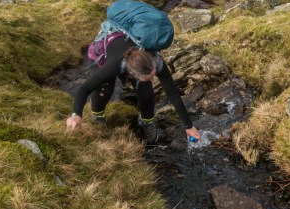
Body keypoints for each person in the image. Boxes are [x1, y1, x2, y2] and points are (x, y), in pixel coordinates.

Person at [66, 35, 200, 144]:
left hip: (132, 55)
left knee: (146, 94)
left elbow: (173, 94)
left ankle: (147, 124)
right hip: (102, 52)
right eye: (149, 78)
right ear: (133, 74)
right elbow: (84, 89)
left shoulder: (155, 61)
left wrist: (189, 126)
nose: (154, 80)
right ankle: (98, 117)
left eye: (153, 75)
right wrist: (76, 115)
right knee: (104, 89)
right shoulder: (112, 66)